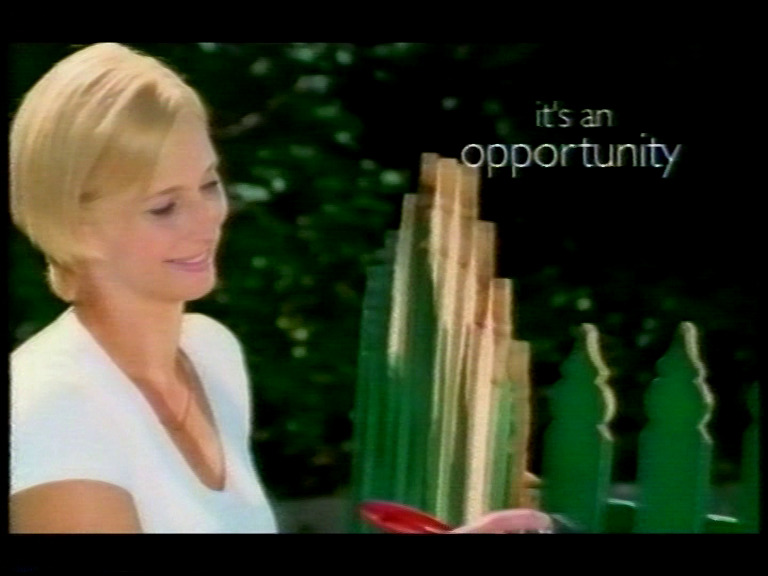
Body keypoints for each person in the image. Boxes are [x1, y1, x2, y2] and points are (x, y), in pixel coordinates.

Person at [9, 43, 555, 534]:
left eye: (209, 184)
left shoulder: (211, 354)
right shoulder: (51, 405)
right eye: (164, 206)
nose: (209, 218)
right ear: (77, 226)